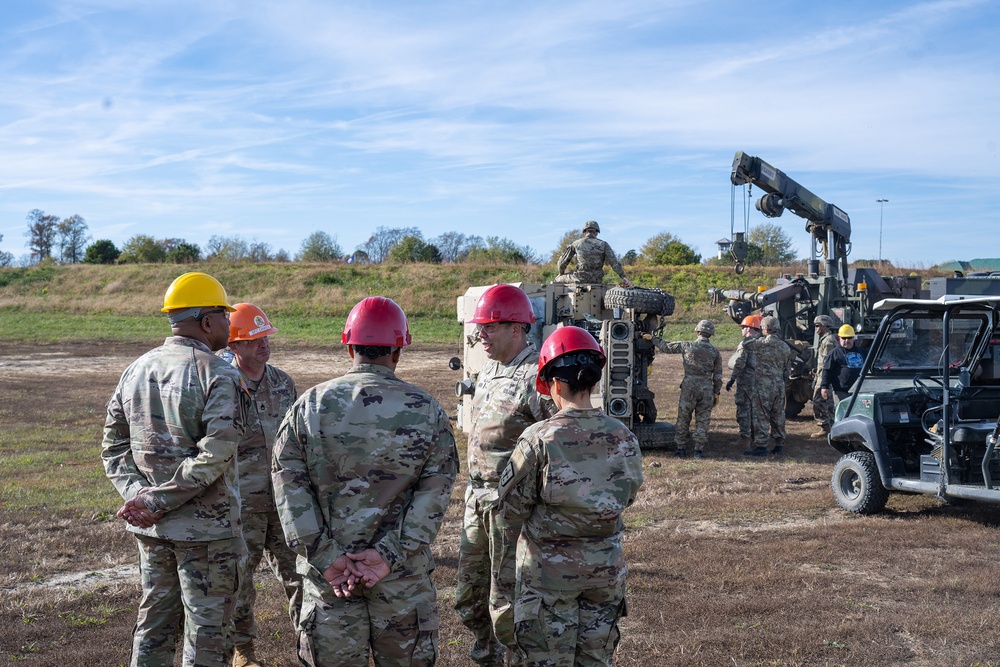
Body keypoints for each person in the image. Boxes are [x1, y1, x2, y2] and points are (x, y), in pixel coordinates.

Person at [271, 296, 458, 667]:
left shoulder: (309, 406)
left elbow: (289, 488)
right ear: (398, 351)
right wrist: (388, 554)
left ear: (350, 347)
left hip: (331, 582)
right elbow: (435, 492)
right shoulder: (426, 410)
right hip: (401, 580)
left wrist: (327, 556)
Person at [101, 271, 249, 667]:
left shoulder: (136, 368)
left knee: (155, 627)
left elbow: (112, 447)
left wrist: (139, 497)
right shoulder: (219, 373)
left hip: (151, 527)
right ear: (206, 321)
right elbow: (215, 455)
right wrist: (155, 500)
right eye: (223, 315)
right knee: (208, 633)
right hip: (206, 532)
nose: (228, 323)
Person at [498, 325, 643, 667]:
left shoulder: (539, 438)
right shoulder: (624, 436)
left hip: (549, 579)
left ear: (555, 384)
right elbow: (627, 495)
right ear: (593, 382)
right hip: (605, 574)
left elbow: (511, 509)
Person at [455, 283, 556, 666]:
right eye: (480, 326)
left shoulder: (537, 378)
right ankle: (485, 655)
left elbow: (556, 442)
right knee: (469, 594)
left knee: (509, 600)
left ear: (517, 328)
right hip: (475, 502)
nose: (480, 333)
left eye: (489, 327)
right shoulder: (488, 369)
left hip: (512, 509)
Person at [226, 303, 300, 667]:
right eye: (254, 339)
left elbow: (298, 439)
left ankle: (314, 648)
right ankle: (244, 654)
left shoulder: (283, 383)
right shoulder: (221, 385)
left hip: (286, 501)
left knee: (303, 577)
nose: (264, 345)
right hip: (241, 505)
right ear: (233, 346)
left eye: (266, 337)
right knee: (239, 585)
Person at [644, 320, 723, 458]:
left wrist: (653, 339)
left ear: (697, 331)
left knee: (684, 417)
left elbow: (666, 347)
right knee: (703, 419)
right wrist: (716, 392)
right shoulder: (715, 352)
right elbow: (717, 376)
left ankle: (681, 449)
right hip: (706, 389)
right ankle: (698, 450)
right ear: (710, 334)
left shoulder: (687, 345)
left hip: (689, 387)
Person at [739, 316, 795, 456]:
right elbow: (787, 370)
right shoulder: (785, 347)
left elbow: (745, 345)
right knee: (778, 415)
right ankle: (779, 444)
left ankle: (762, 445)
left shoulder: (760, 344)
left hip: (763, 386)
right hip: (779, 385)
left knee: (762, 415)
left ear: (765, 329)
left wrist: (753, 336)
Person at [554, 220, 633, 287]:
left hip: (580, 278)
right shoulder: (604, 244)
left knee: (558, 278)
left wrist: (561, 273)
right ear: (597, 232)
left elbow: (562, 263)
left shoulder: (576, 243)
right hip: (597, 280)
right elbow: (614, 263)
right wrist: (623, 277)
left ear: (584, 232)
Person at [725, 314, 763, 448]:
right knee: (755, 410)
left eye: (743, 328)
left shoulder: (745, 344)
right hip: (758, 382)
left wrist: (732, 379)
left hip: (745, 382)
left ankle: (745, 438)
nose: (741, 330)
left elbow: (740, 363)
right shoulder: (762, 343)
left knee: (743, 409)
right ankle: (755, 436)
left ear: (749, 328)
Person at [821, 324, 868, 403]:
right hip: (841, 391)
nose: (847, 340)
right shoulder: (834, 353)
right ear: (839, 338)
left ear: (853, 338)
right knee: (843, 414)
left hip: (860, 391)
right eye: (844, 338)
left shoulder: (862, 352)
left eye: (849, 338)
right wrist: (824, 387)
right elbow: (827, 370)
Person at [810, 315, 838, 438]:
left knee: (821, 401)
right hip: (821, 375)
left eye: (817, 325)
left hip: (825, 376)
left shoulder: (828, 341)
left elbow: (828, 362)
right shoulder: (825, 339)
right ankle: (827, 426)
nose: (815, 328)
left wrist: (823, 380)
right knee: (823, 401)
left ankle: (827, 426)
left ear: (825, 326)